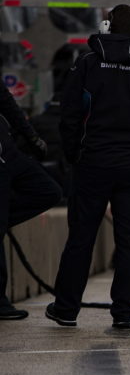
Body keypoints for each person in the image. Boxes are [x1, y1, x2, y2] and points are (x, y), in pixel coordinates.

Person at [46, 4, 130, 328]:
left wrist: (74, 155)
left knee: (81, 238)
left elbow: (70, 115)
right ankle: (124, 313)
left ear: (106, 29)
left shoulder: (87, 65)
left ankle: (65, 310)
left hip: (92, 164)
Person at [0, 88, 63, 320]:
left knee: (49, 192)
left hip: (8, 150)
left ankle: (3, 218)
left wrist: (31, 137)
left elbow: (7, 103)